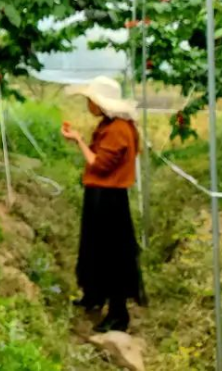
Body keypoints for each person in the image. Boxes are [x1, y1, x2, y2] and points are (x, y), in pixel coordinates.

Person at [61, 76, 145, 332]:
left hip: (109, 198)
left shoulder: (118, 129)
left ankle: (118, 313)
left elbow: (99, 163)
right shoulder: (112, 125)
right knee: (95, 248)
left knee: (111, 254)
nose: (89, 104)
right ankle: (94, 296)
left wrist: (78, 141)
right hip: (102, 194)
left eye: (91, 100)